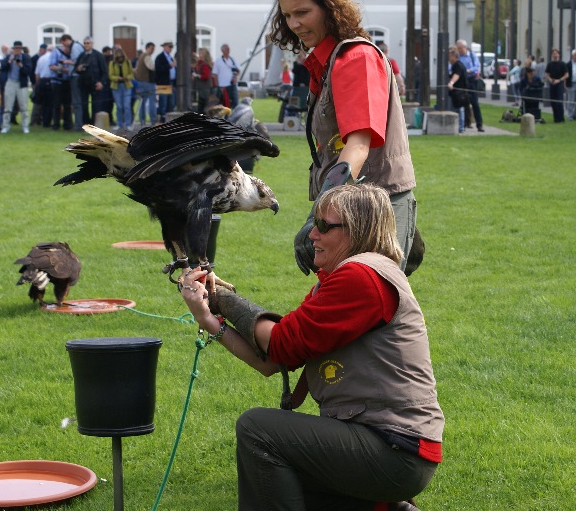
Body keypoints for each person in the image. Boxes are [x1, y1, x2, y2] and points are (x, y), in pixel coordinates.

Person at [180, 183, 443, 510]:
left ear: (357, 230)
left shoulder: (362, 277)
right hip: (388, 445)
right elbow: (272, 362)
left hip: (396, 450)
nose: (311, 235)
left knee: (257, 430)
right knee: (278, 477)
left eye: (322, 226)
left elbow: (279, 342)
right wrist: (208, 319)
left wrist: (222, 299)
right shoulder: (338, 280)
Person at [272, 0, 418, 276]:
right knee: (343, 310)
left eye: (302, 12)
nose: (294, 24)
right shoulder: (328, 63)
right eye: (287, 16)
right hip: (353, 206)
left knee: (366, 309)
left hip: (374, 207)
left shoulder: (355, 58)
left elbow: (358, 145)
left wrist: (318, 217)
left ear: (329, 7)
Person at [0, 40, 33, 133]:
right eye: (15, 49)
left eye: (19, 49)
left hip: (21, 83)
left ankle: (25, 126)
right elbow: (2, 67)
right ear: (13, 49)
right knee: (8, 105)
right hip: (10, 82)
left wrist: (20, 65)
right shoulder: (9, 57)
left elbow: (27, 71)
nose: (17, 50)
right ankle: (5, 125)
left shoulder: (26, 57)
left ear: (21, 49)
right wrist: (10, 61)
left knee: (23, 105)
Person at [75, 37, 109, 126]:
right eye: (85, 43)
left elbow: (105, 71)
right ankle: (86, 124)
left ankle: (95, 124)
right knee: (84, 104)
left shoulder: (98, 55)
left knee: (96, 105)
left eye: (88, 43)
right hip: (83, 84)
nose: (86, 45)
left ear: (92, 44)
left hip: (95, 84)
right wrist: (78, 69)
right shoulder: (81, 55)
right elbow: (76, 69)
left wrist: (101, 82)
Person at [49, 35, 81, 130]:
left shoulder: (72, 52)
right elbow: (51, 66)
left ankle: (68, 124)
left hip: (68, 81)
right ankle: (56, 124)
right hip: (57, 82)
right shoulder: (56, 52)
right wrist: (62, 69)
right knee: (57, 104)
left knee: (68, 104)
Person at [455, 39, 483, 131]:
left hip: (471, 80)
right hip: (462, 81)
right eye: (457, 48)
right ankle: (465, 123)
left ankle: (479, 124)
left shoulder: (471, 55)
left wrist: (468, 70)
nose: (459, 50)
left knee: (475, 103)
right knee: (462, 102)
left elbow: (477, 67)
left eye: (460, 48)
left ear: (465, 48)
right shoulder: (457, 57)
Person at [108, 46, 134, 131]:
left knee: (127, 106)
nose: (120, 59)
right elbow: (111, 75)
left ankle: (128, 124)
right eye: (118, 57)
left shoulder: (127, 62)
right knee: (119, 106)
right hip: (116, 87)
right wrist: (117, 78)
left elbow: (131, 74)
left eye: (121, 57)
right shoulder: (112, 63)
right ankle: (119, 124)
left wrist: (127, 77)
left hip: (126, 86)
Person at [446, 46, 469, 133]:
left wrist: (451, 83)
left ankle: (460, 127)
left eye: (449, 56)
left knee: (459, 109)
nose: (448, 58)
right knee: (457, 109)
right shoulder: (456, 65)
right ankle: (458, 126)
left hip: (460, 92)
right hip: (457, 91)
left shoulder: (457, 65)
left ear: (453, 56)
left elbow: (457, 75)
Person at [134, 42, 157, 126]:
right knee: (152, 102)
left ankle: (142, 120)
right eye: (151, 48)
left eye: (153, 49)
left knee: (142, 103)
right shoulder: (146, 56)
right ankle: (153, 120)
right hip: (147, 82)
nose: (152, 50)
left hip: (140, 82)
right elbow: (152, 67)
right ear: (147, 48)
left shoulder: (141, 56)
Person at [212, 43, 241, 108]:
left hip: (232, 85)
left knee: (235, 103)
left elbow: (238, 70)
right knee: (224, 104)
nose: (228, 50)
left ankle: (234, 116)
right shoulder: (218, 61)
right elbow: (214, 74)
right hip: (223, 86)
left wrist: (235, 77)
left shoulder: (233, 60)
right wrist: (217, 86)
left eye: (229, 49)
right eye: (227, 49)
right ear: (222, 50)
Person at [544, 48, 568, 123]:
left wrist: (559, 80)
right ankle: (556, 118)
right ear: (552, 55)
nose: (555, 55)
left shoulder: (562, 64)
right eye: (553, 53)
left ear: (559, 54)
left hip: (559, 83)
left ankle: (561, 118)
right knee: (553, 101)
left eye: (556, 53)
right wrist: (550, 80)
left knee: (559, 102)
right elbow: (547, 74)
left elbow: (566, 75)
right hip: (552, 83)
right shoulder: (550, 64)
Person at [155, 39, 176, 121]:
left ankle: (168, 118)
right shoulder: (160, 57)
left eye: (171, 47)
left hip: (170, 82)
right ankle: (162, 118)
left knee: (171, 102)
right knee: (163, 102)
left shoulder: (170, 57)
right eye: (169, 47)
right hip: (163, 83)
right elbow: (159, 69)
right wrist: (169, 66)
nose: (170, 49)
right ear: (164, 47)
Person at [192, 47, 213, 113]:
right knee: (201, 105)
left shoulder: (205, 65)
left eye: (200, 53)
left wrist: (197, 75)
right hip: (202, 88)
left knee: (202, 105)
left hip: (204, 88)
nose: (198, 54)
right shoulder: (202, 64)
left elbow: (206, 76)